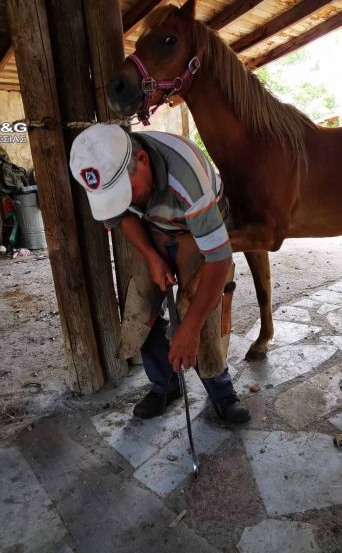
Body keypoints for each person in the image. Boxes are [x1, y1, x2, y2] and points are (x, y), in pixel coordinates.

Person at [70, 123, 250, 424]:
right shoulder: (102, 170)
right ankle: (164, 386)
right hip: (154, 227)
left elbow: (219, 258)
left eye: (127, 192)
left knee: (200, 310)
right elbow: (121, 216)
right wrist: (153, 258)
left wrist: (189, 328)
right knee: (141, 304)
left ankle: (221, 391)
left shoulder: (187, 179)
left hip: (199, 230)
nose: (124, 200)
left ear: (142, 160)